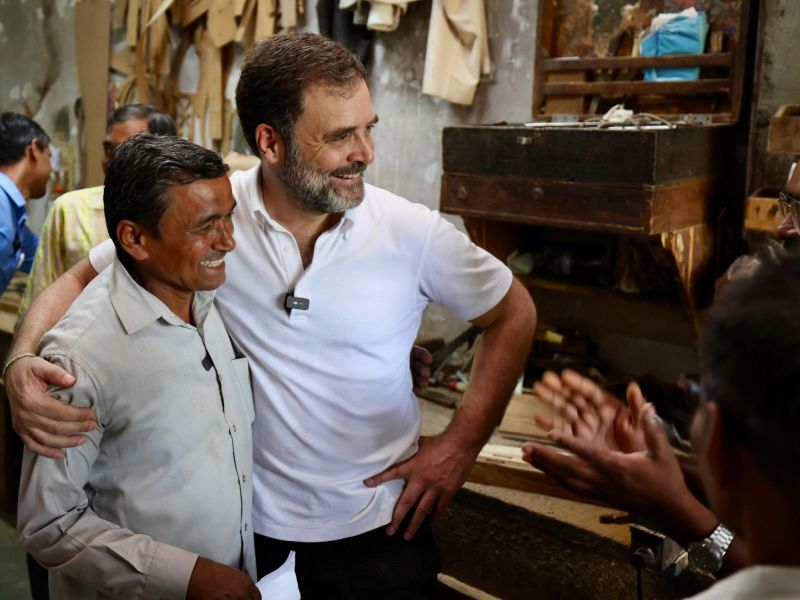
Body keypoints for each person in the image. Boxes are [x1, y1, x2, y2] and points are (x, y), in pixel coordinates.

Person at [6, 32, 537, 598]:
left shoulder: (410, 232)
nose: (366, 152)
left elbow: (514, 313)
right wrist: (19, 361)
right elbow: (78, 278)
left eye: (369, 128)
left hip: (382, 530)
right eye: (340, 136)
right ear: (270, 143)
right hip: (251, 536)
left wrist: (459, 445)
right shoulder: (212, 218)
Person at [17, 133, 259, 600]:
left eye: (229, 217)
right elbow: (48, 523)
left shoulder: (201, 299)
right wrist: (186, 576)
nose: (228, 241)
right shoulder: (80, 359)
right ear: (134, 238)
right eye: (206, 226)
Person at [18, 103, 175, 317]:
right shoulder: (71, 210)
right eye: (109, 150)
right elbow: (40, 293)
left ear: (165, 154)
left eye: (127, 151)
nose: (113, 161)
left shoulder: (183, 216)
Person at [0, 112, 51, 293]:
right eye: (49, 157)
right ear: (34, 149)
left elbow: (44, 259)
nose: (51, 169)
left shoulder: (13, 214)